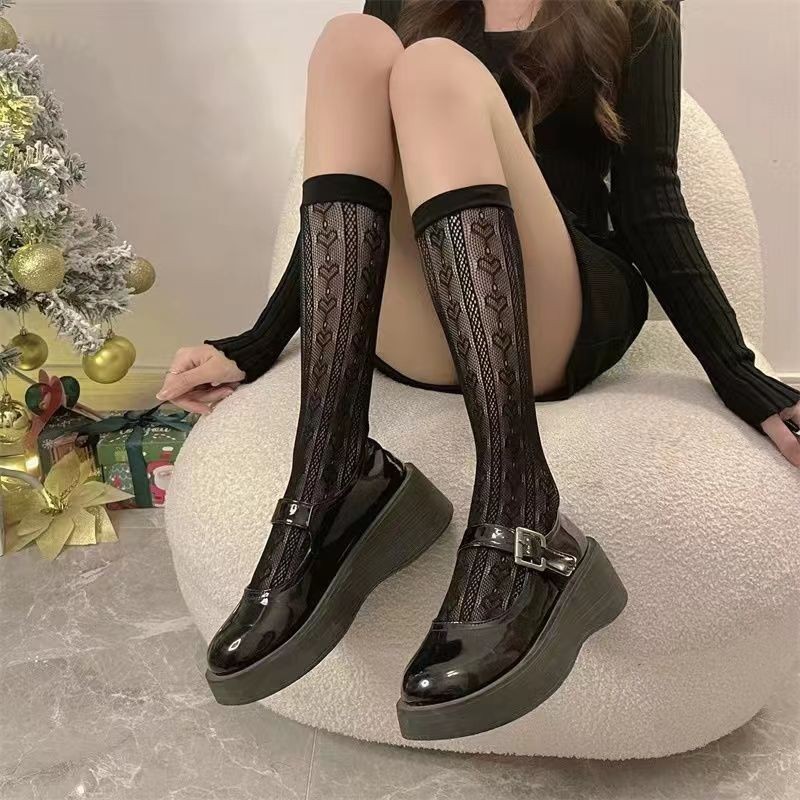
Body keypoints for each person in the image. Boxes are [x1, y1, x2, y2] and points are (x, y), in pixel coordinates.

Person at [157, 0, 800, 740]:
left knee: (434, 68)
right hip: (427, 318)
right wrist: (257, 342)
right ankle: (331, 476)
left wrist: (740, 374)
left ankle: (520, 500)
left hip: (555, 303)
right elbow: (350, 208)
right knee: (351, 44)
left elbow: (649, 198)